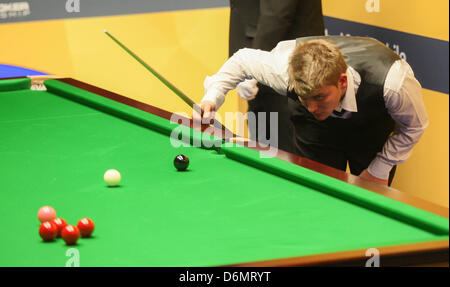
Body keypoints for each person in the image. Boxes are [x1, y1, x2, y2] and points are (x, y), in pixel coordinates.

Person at [193, 36, 429, 186]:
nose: (313, 107)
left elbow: (414, 126)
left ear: (342, 82)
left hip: (370, 129)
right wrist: (213, 97)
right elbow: (243, 60)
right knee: (318, 193)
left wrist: (380, 168)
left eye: (319, 97)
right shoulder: (284, 69)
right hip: (315, 132)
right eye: (304, 98)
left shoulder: (392, 82)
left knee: (374, 203)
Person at [228, 0, 324, 153]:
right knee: (263, 150)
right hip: (261, 63)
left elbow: (277, 13)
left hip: (287, 67)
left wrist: (252, 64)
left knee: (287, 155)